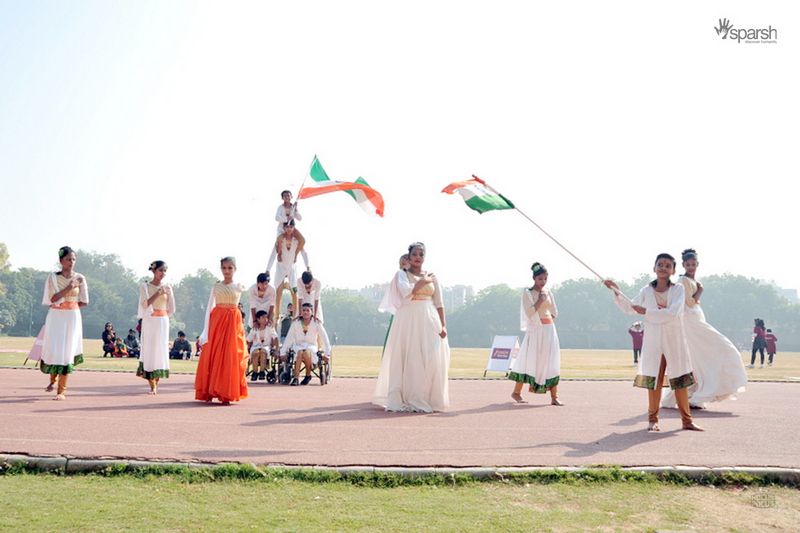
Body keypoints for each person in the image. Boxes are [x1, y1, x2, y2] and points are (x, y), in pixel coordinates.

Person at [604, 253, 703, 432]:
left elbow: (673, 313)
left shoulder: (678, 290)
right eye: (660, 264)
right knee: (654, 380)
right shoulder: (646, 291)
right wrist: (616, 290)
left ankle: (687, 420)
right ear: (654, 268)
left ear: (673, 270)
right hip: (653, 340)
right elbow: (630, 308)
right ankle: (653, 419)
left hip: (674, 339)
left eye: (667, 265)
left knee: (680, 379)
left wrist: (647, 312)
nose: (663, 268)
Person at [661, 249, 747, 409]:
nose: (691, 267)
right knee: (719, 349)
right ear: (683, 265)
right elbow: (689, 302)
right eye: (688, 264)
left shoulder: (691, 280)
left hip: (695, 320)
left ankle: (694, 395)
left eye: (693, 264)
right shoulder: (683, 281)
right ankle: (696, 393)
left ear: (697, 264)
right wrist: (700, 291)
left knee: (698, 359)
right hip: (691, 324)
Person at [373, 242, 450, 412]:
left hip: (429, 319)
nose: (418, 258)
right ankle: (409, 396)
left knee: (431, 356)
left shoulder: (432, 277)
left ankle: (429, 397)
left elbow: (439, 303)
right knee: (410, 356)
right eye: (415, 254)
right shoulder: (401, 275)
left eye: (421, 255)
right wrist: (422, 282)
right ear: (409, 257)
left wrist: (443, 325)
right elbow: (406, 292)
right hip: (408, 319)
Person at [194, 257, 248, 404]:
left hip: (232, 323)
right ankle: (210, 390)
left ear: (235, 269)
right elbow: (209, 308)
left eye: (230, 268)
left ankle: (226, 392)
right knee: (213, 353)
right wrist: (205, 331)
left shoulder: (239, 286)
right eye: (224, 268)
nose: (227, 271)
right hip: (217, 321)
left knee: (230, 355)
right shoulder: (216, 286)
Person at [508, 262, 563, 406]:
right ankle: (516, 392)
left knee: (551, 361)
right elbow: (529, 312)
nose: (543, 282)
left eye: (545, 279)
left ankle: (554, 396)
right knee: (529, 360)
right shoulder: (528, 293)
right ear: (534, 278)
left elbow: (554, 312)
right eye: (540, 279)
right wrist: (540, 300)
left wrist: (548, 321)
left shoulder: (549, 292)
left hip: (549, 331)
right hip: (535, 331)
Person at [40, 246, 88, 400]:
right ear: (61, 261)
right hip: (56, 317)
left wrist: (70, 308)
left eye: (73, 259)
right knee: (55, 349)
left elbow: (84, 301)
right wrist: (70, 287)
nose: (71, 262)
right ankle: (52, 380)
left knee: (67, 352)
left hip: (72, 317)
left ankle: (61, 391)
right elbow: (52, 299)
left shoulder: (80, 277)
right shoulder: (53, 277)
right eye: (68, 259)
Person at [137, 260, 175, 394]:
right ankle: (151, 383)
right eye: (160, 270)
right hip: (150, 320)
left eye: (165, 271)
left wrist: (164, 313)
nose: (163, 273)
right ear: (154, 271)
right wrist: (158, 293)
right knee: (150, 348)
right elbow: (145, 304)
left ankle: (156, 383)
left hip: (162, 321)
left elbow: (171, 308)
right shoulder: (145, 286)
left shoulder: (168, 287)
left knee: (160, 349)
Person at [281, 302, 332, 385]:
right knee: (301, 352)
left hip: (311, 348)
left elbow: (324, 338)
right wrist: (283, 352)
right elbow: (289, 339)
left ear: (311, 312)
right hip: (298, 347)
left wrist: (327, 353)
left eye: (307, 310)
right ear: (301, 312)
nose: (305, 312)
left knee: (304, 352)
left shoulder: (316, 323)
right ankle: (303, 376)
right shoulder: (295, 323)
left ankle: (297, 378)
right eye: (303, 310)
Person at [268, 221, 310, 315]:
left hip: (292, 268)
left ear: (294, 228)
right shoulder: (280, 241)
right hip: (281, 267)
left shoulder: (297, 241)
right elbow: (272, 254)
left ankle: (295, 315)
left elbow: (304, 253)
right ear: (284, 228)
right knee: (278, 292)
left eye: (291, 226)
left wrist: (308, 266)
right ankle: (276, 316)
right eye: (287, 227)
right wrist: (268, 270)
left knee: (294, 292)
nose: (289, 229)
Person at [247, 310, 276, 381]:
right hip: (255, 347)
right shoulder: (254, 329)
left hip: (266, 347)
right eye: (263, 317)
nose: (265, 319)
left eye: (266, 317)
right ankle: (255, 372)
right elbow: (248, 339)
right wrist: (246, 348)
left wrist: (275, 347)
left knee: (263, 351)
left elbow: (275, 337)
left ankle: (262, 372)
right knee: (256, 352)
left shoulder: (270, 328)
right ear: (258, 319)